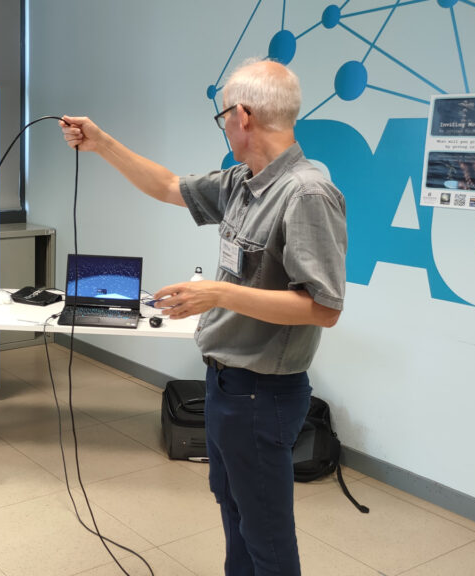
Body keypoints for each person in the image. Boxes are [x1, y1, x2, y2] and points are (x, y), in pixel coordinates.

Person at [61, 58, 347, 576]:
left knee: (267, 535)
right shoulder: (243, 181)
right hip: (224, 385)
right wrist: (102, 143)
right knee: (235, 514)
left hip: (264, 394)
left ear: (243, 115)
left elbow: (323, 308)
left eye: (222, 118)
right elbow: (170, 185)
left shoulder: (306, 193)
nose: (225, 127)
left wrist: (219, 294)